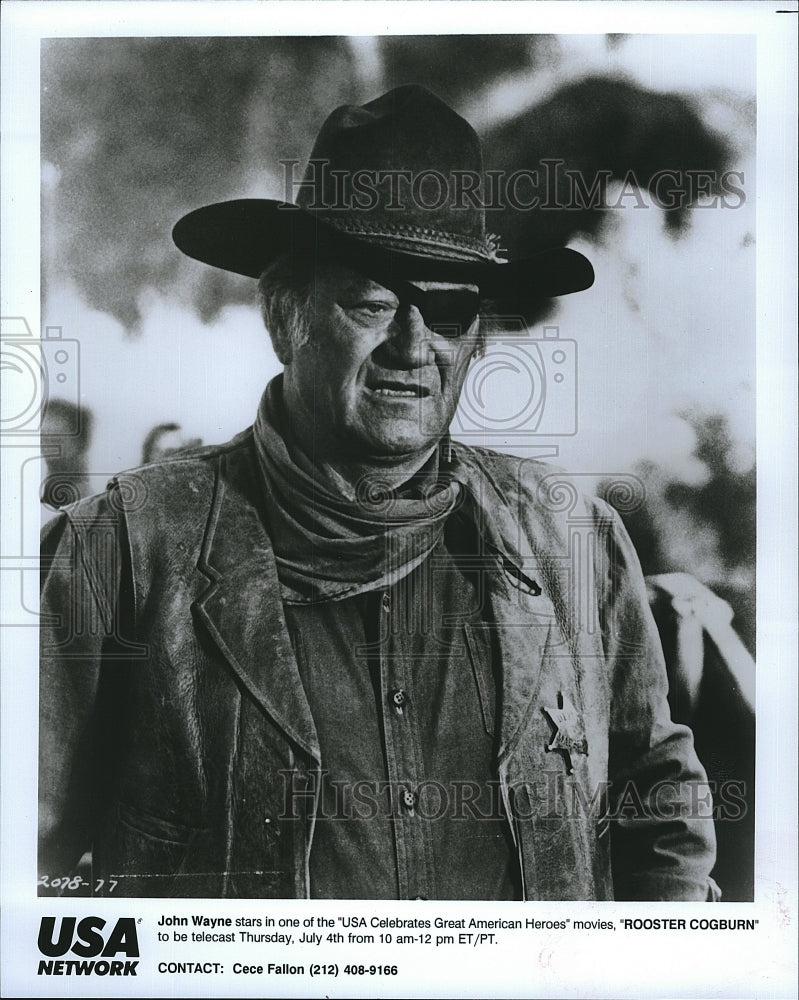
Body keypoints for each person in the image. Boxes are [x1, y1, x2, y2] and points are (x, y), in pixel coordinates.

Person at [39, 85, 718, 900]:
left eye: (449, 312)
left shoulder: (574, 540)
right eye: (370, 304)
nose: (412, 346)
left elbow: (659, 800)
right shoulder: (119, 548)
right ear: (286, 317)